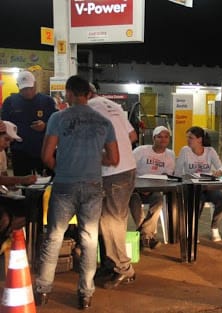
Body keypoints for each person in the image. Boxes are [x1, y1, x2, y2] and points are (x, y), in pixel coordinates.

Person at [34, 75, 119, 310]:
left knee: (54, 237)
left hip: (64, 185)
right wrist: (93, 158)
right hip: (93, 186)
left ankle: (43, 290)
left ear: (70, 94)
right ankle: (85, 294)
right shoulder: (104, 122)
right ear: (89, 94)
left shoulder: (58, 118)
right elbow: (114, 158)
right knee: (90, 239)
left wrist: (63, 166)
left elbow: (46, 155)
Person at [87, 84, 138, 290]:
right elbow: (132, 136)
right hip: (127, 169)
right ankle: (111, 263)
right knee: (110, 220)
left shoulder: (88, 107)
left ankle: (124, 268)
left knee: (112, 222)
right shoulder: (113, 106)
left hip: (112, 172)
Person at [174, 126, 222, 241]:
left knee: (221, 199)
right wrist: (184, 179)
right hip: (192, 186)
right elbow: (177, 172)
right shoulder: (185, 151)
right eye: (187, 137)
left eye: (191, 138)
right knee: (198, 201)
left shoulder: (210, 151)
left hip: (207, 185)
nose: (188, 140)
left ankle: (214, 228)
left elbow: (221, 167)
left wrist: (219, 172)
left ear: (200, 139)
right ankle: (192, 230)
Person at [1, 70, 57, 176]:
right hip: (19, 151)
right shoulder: (10, 102)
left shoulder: (47, 101)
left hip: (43, 150)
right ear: (18, 86)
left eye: (30, 88)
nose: (27, 92)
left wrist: (45, 126)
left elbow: (56, 125)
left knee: (46, 184)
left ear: (35, 84)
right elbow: (4, 127)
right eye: (24, 89)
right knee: (23, 183)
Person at [129, 126, 175, 249]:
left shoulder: (170, 154)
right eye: (159, 137)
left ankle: (143, 234)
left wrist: (152, 186)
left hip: (154, 189)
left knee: (158, 201)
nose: (163, 139)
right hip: (136, 189)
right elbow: (129, 168)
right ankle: (148, 236)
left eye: (166, 137)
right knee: (133, 200)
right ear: (154, 138)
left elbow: (167, 175)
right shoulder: (141, 151)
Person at [0, 120, 37, 249]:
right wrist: (21, 180)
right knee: (5, 217)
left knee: (29, 208)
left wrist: (13, 184)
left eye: (10, 141)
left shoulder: (2, 153)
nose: (7, 144)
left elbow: (4, 178)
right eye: (6, 140)